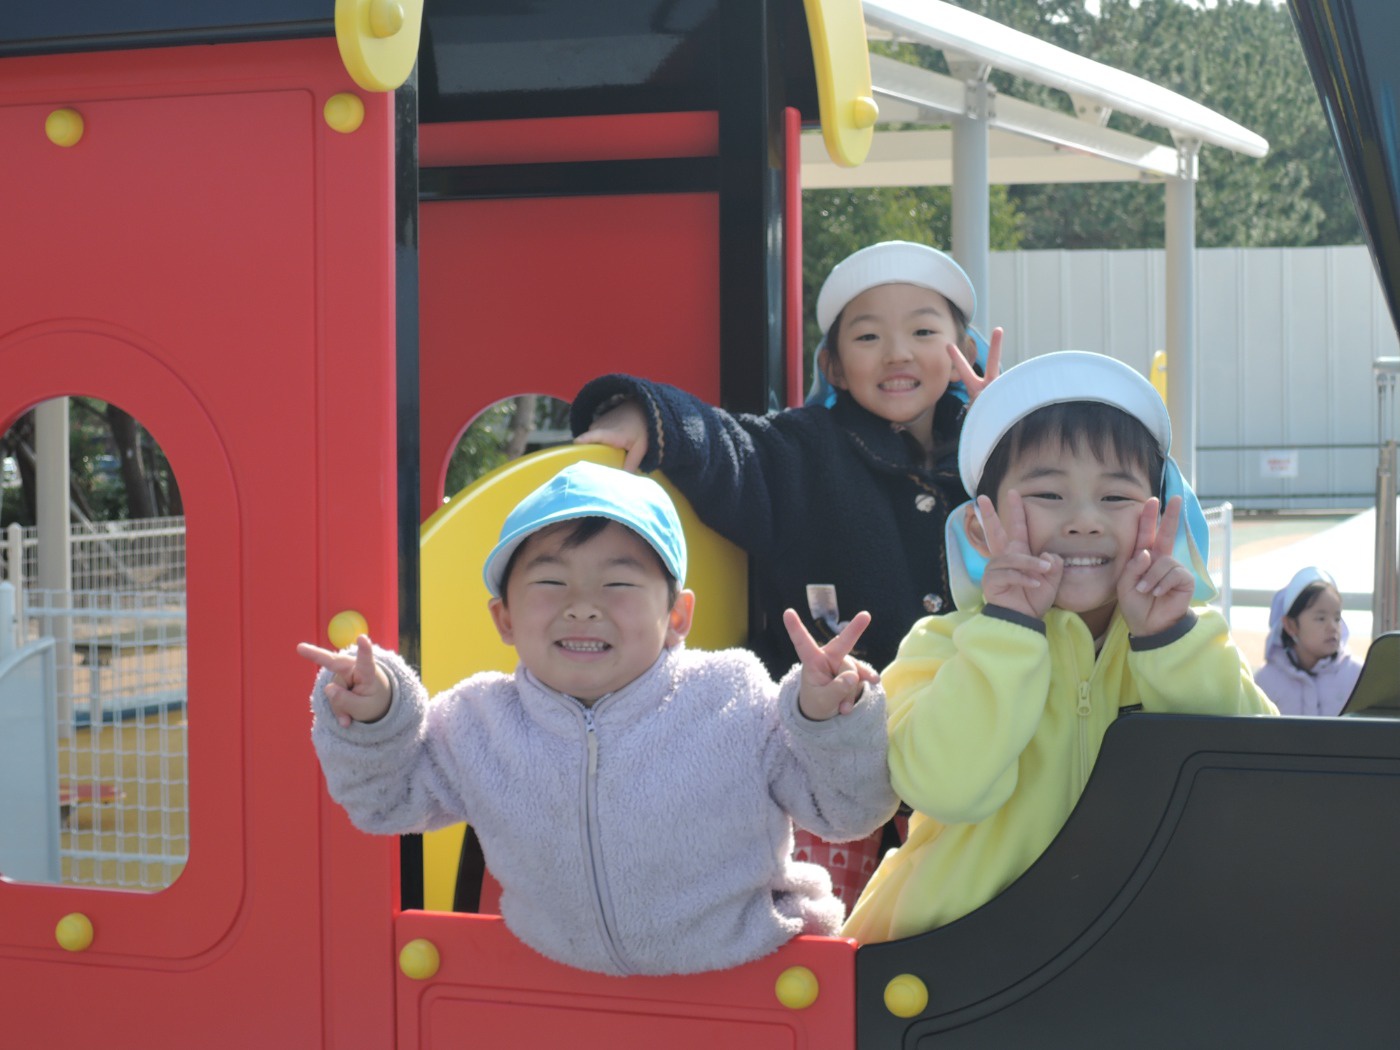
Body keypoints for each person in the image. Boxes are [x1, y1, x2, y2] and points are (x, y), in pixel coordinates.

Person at [298, 460, 898, 977]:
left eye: (617, 583)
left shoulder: (729, 698)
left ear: (677, 616)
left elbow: (848, 812)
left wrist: (828, 719)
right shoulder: (479, 723)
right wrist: (376, 718)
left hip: (755, 979)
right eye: (550, 581)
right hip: (565, 989)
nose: (582, 606)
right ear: (505, 619)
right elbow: (386, 803)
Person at [571, 241, 1001, 908]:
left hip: (961, 744)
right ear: (833, 365)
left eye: (923, 332)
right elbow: (728, 446)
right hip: (828, 750)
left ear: (962, 351)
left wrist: (1009, 425)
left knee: (947, 915)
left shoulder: (998, 455)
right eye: (868, 336)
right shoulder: (802, 451)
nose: (897, 353)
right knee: (820, 925)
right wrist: (652, 419)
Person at [841, 351, 1277, 945]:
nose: (1084, 521)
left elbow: (1254, 779)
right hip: (948, 963)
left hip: (1130, 964)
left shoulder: (1190, 640)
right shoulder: (941, 647)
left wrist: (1168, 642)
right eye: (1048, 495)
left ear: (1158, 517)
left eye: (1117, 497)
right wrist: (1007, 632)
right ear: (979, 530)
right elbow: (945, 789)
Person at [1254, 566, 1363, 716]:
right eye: (1321, 618)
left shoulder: (1358, 675)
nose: (1333, 627)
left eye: (1337, 618)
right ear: (1290, 625)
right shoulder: (1265, 681)